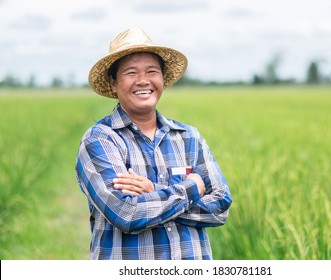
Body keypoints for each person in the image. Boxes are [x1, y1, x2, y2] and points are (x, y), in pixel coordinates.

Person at [75, 28, 232, 260]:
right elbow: (126, 213)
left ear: (162, 79)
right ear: (113, 82)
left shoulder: (188, 137)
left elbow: (220, 207)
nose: (143, 81)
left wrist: (153, 192)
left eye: (152, 71)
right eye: (131, 72)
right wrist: (192, 188)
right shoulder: (100, 140)